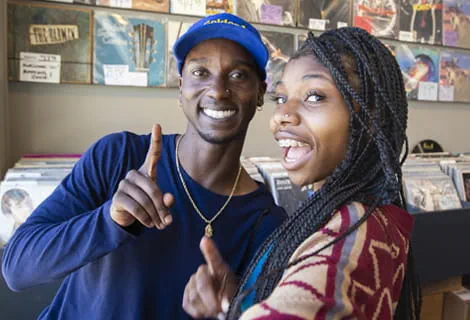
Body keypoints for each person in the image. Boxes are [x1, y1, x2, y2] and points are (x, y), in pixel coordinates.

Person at [1, 13, 287, 319]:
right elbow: (18, 269)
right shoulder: (118, 156)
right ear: (181, 88)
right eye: (200, 72)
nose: (217, 90)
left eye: (238, 75)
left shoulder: (266, 221)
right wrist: (109, 221)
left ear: (259, 92)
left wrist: (230, 312)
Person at [182, 27, 421, 319]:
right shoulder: (355, 215)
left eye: (315, 96)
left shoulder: (350, 236)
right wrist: (237, 306)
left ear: (369, 117)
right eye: (281, 98)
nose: (282, 115)